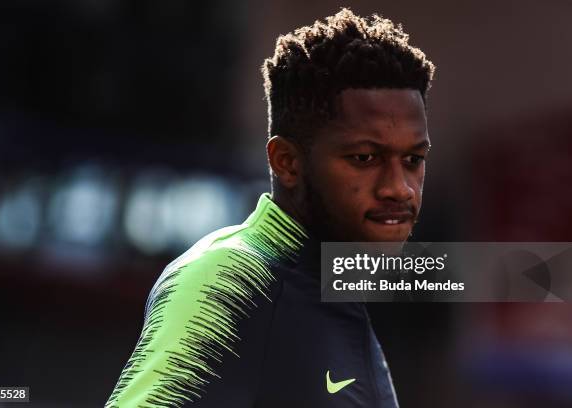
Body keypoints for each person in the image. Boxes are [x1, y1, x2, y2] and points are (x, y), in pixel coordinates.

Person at [106, 7, 435, 407]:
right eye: (365, 158)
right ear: (287, 162)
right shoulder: (229, 279)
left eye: (413, 160)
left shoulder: (336, 289)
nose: (399, 189)